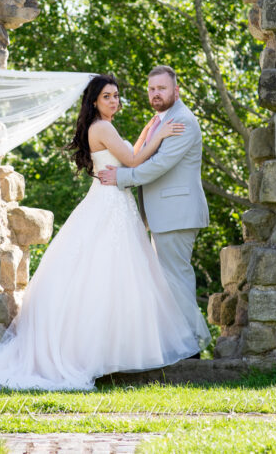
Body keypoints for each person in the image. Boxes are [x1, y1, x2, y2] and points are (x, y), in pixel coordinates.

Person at [0, 74, 202, 390]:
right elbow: (133, 160)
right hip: (110, 202)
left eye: (116, 95)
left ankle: (115, 347)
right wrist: (159, 135)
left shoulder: (102, 126)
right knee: (111, 273)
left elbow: (126, 155)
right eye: (107, 96)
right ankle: (110, 349)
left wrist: (149, 132)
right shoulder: (103, 127)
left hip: (111, 201)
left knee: (112, 274)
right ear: (94, 101)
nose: (114, 100)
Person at [97, 66, 211, 352]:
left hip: (177, 213)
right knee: (166, 281)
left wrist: (121, 179)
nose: (156, 93)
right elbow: (138, 155)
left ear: (176, 91)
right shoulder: (161, 120)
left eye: (162, 88)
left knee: (176, 280)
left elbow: (159, 166)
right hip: (164, 215)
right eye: (151, 89)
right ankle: (180, 344)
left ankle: (192, 347)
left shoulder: (182, 121)